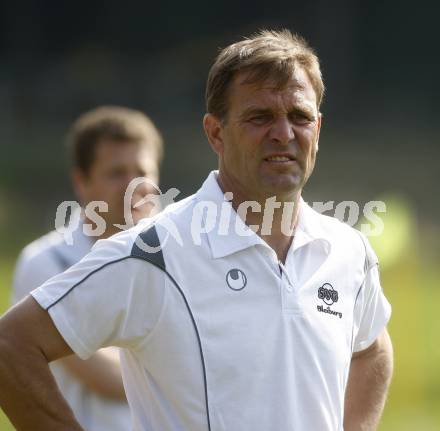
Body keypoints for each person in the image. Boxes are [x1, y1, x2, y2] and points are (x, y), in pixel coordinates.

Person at [0, 30, 392, 431]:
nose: (284, 133)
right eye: (260, 117)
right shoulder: (154, 252)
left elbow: (372, 349)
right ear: (215, 133)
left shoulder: (348, 250)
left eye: (300, 116)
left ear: (318, 129)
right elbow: (11, 346)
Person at [10, 105, 163, 431]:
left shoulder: (182, 254)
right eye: (116, 173)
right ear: (82, 182)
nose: (134, 185)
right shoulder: (46, 263)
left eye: (143, 171)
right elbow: (104, 378)